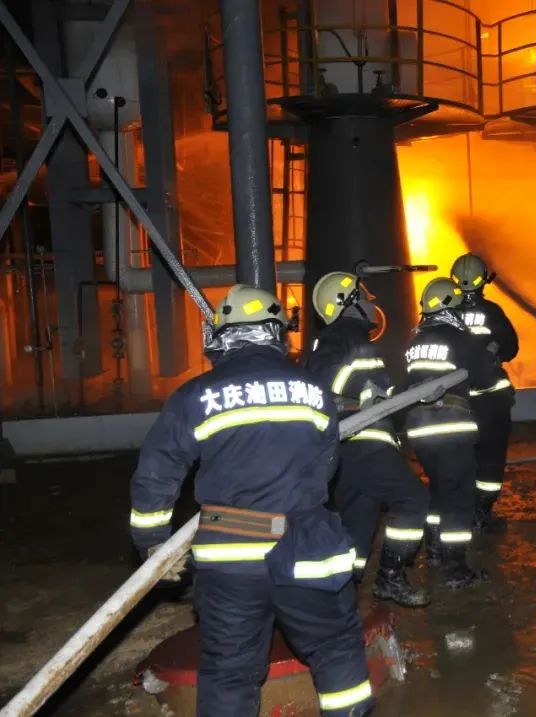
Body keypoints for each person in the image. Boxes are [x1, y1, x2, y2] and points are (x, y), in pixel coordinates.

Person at [129, 285, 372, 717]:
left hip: (229, 556)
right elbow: (326, 465)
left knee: (229, 672)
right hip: (305, 549)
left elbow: (157, 471)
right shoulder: (313, 389)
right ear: (278, 333)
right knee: (336, 649)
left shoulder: (194, 395)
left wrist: (152, 542)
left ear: (220, 335)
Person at [307, 271, 430, 608]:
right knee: (413, 500)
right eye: (362, 297)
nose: (370, 304)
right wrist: (364, 393)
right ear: (347, 302)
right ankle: (390, 577)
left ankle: (341, 592)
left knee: (359, 522)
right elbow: (322, 381)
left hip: (350, 446)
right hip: (363, 442)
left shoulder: (343, 338)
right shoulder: (343, 335)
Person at [403, 277, 501, 588]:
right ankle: (455, 567)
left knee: (438, 487)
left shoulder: (414, 341)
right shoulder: (460, 338)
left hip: (419, 429)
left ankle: (433, 550)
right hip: (452, 426)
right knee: (459, 495)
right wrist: (486, 356)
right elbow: (485, 379)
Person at [450, 253, 518, 532]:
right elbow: (511, 348)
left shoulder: (444, 312)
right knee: (491, 457)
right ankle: (482, 512)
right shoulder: (492, 312)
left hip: (455, 400)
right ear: (483, 281)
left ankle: (458, 510)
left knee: (458, 456)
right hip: (491, 400)